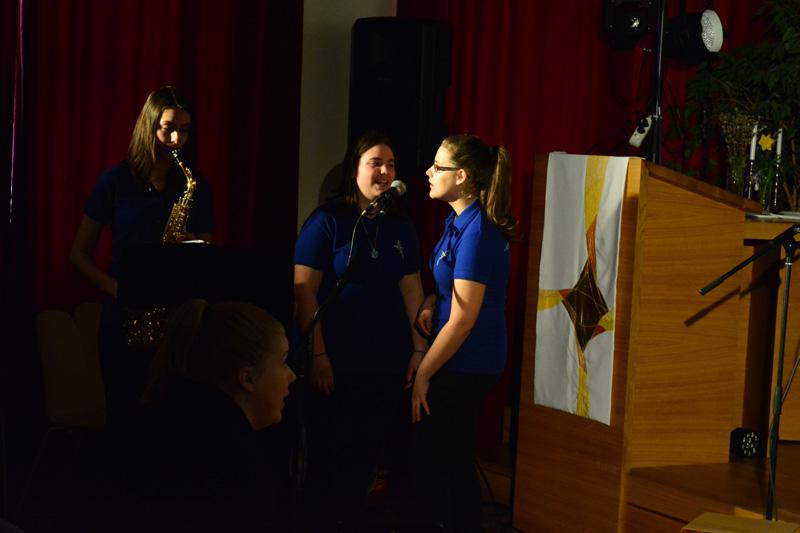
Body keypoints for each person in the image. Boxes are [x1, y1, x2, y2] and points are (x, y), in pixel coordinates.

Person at [293, 131, 429, 531]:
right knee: (327, 462)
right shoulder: (328, 221)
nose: (385, 172)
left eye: (391, 165)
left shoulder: (401, 226)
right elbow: (304, 293)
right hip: (334, 366)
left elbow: (412, 292)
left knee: (365, 462)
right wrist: (319, 355)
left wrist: (419, 352)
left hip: (384, 366)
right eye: (375, 163)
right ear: (354, 170)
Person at [69, 86, 214, 423]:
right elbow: (78, 254)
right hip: (122, 320)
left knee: (169, 431)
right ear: (149, 126)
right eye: (168, 128)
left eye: (185, 130)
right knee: (124, 425)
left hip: (176, 326)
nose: (177, 139)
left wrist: (193, 244)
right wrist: (118, 290)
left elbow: (206, 256)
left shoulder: (194, 186)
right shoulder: (115, 181)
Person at [113, 299, 295, 532]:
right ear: (248, 378)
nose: (291, 376)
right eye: (283, 362)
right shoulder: (232, 467)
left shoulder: (166, 422)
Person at [412, 134, 516, 532]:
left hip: (468, 362)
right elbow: (450, 288)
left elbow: (463, 319)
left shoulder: (478, 233)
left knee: (444, 462)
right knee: (444, 460)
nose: (428, 172)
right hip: (457, 358)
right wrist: (429, 302)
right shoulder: (458, 223)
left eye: (438, 166)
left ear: (461, 177)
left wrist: (423, 373)